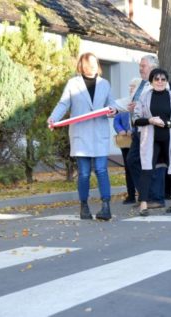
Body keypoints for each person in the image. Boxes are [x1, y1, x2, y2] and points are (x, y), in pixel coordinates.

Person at [48, 52, 125, 221]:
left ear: (97, 65)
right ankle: (84, 206)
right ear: (81, 66)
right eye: (87, 64)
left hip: (99, 133)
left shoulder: (104, 84)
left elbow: (111, 103)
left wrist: (114, 110)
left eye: (93, 64)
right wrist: (53, 119)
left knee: (101, 170)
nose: (90, 67)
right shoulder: (72, 83)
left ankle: (106, 206)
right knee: (83, 173)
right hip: (81, 134)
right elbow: (63, 104)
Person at [133, 69, 171, 216]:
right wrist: (150, 120)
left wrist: (166, 123)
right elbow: (135, 119)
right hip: (151, 140)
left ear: (167, 81)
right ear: (151, 82)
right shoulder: (144, 97)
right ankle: (143, 203)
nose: (160, 82)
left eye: (163, 79)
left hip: (170, 140)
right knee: (147, 169)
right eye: (156, 79)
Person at [126, 55, 167, 209]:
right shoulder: (141, 84)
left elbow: (163, 105)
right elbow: (130, 102)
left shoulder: (160, 82)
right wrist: (115, 109)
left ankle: (156, 198)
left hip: (154, 131)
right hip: (139, 130)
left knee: (154, 164)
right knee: (132, 160)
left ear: (152, 67)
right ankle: (145, 195)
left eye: (143, 65)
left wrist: (140, 107)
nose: (140, 68)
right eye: (140, 65)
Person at [113, 78, 141, 205]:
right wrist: (120, 130)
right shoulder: (123, 103)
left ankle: (142, 194)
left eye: (133, 86)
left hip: (138, 140)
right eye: (129, 86)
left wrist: (133, 130)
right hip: (125, 141)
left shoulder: (141, 103)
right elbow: (116, 120)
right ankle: (131, 195)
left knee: (139, 167)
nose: (130, 88)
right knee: (128, 168)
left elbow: (143, 119)